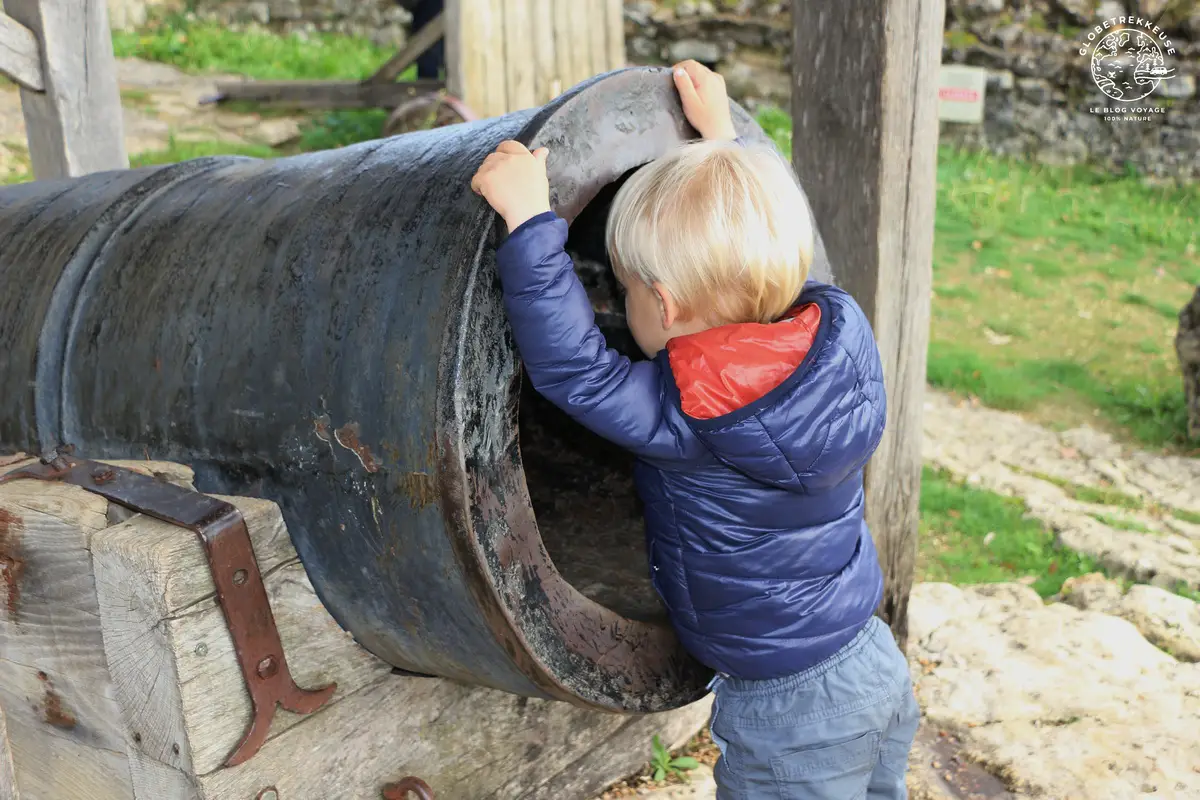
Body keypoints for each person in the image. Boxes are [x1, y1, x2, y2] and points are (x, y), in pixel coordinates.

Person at [470, 60, 919, 799]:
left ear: (665, 305)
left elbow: (575, 369)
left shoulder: (692, 417)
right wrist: (725, 141)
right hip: (869, 657)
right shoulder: (835, 335)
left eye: (624, 292)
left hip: (788, 709)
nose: (620, 306)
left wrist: (530, 226)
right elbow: (778, 234)